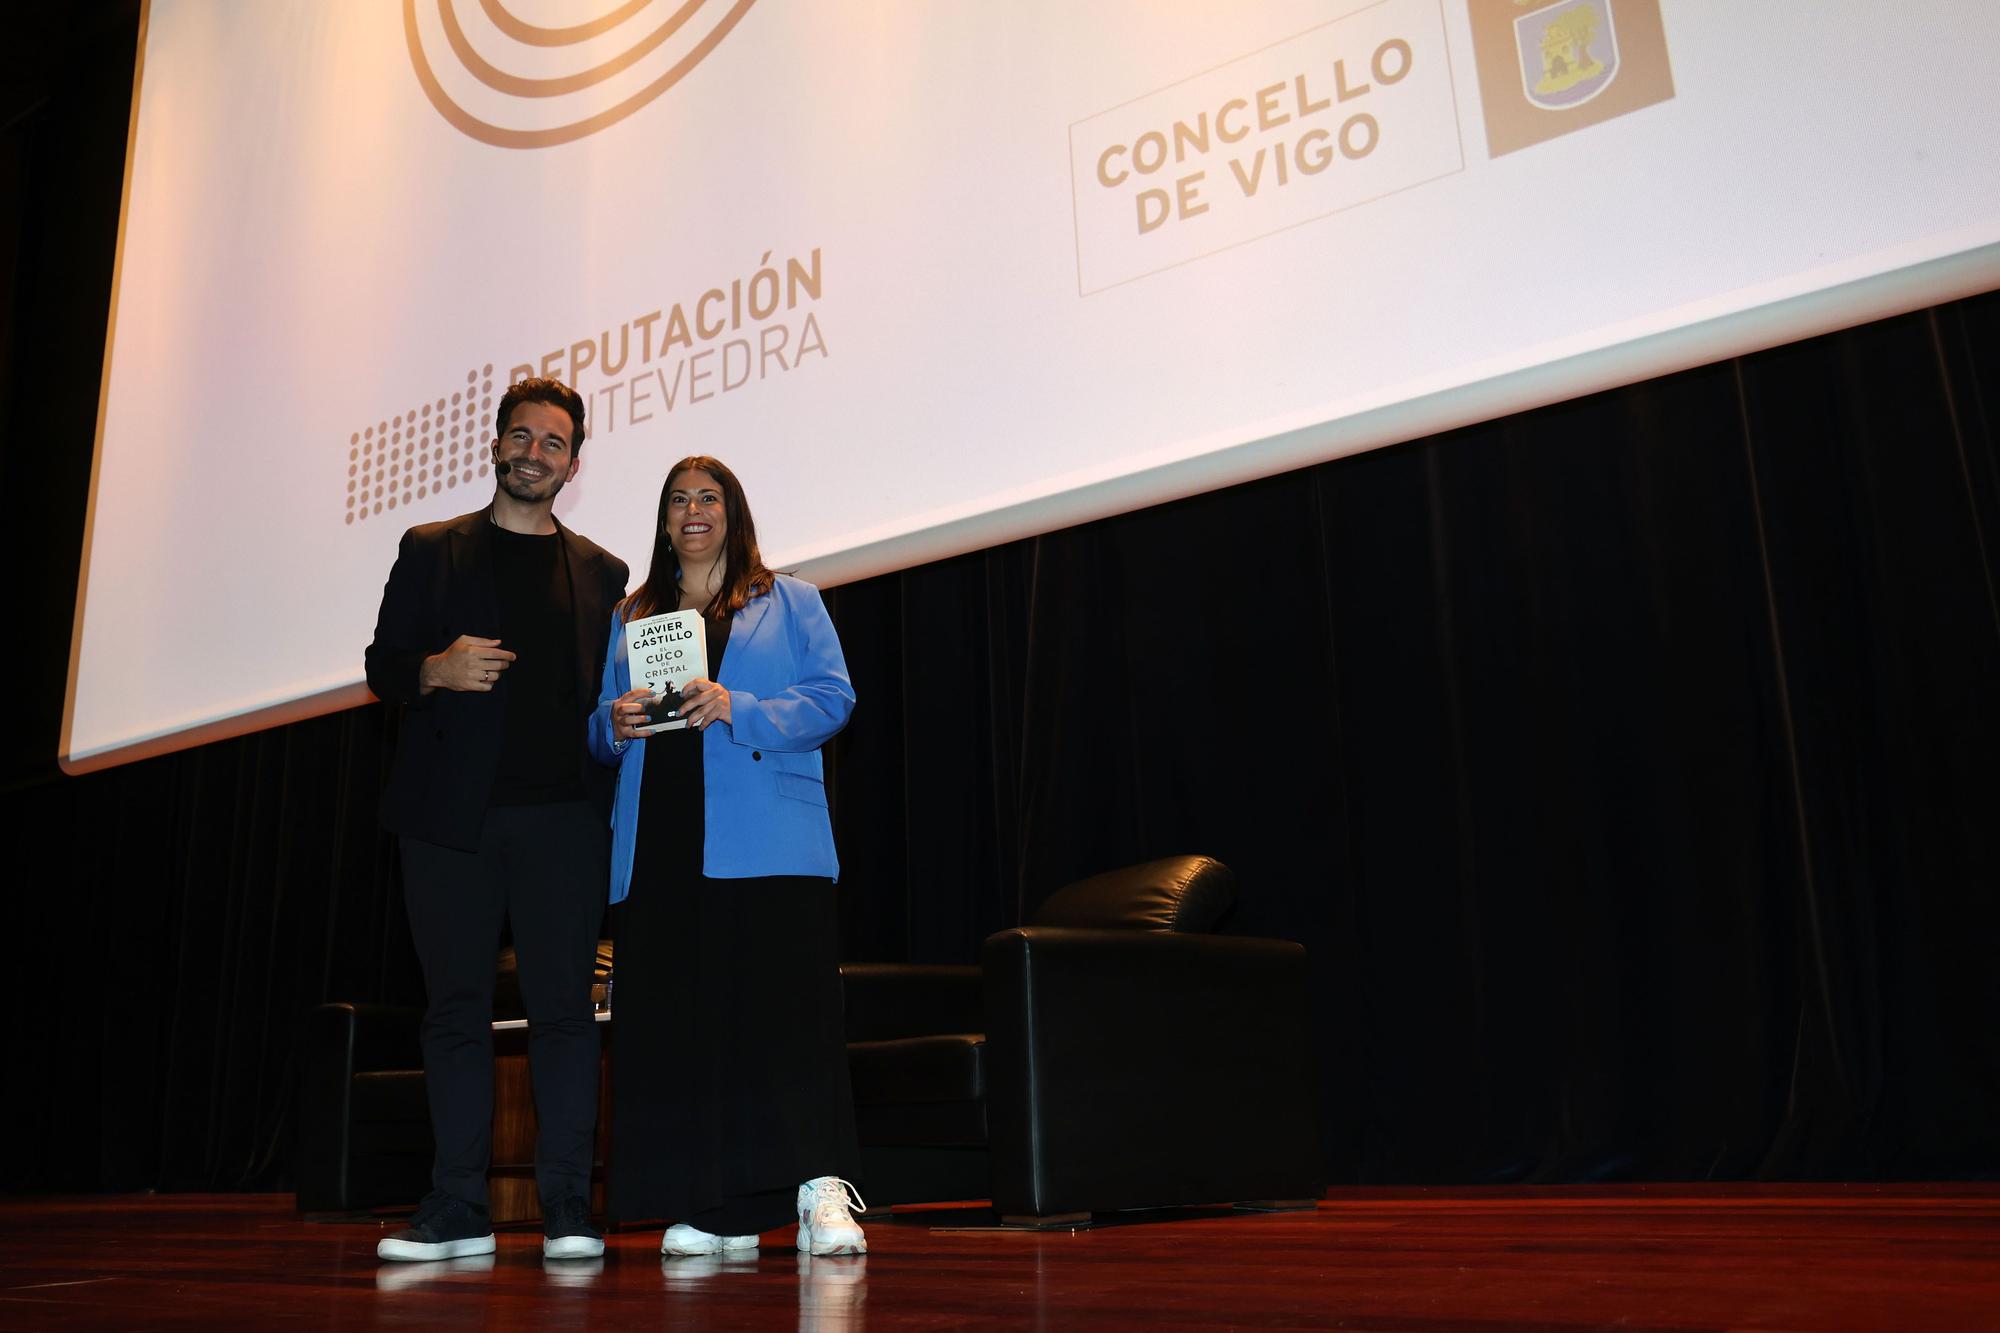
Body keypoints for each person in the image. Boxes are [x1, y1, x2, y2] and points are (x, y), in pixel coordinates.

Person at [364, 377, 628, 1262]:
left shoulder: (602, 572)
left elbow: (608, 694)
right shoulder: (431, 549)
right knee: (455, 1011)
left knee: (563, 1013)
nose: (533, 453)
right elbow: (383, 665)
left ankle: (567, 1208)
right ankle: (456, 1207)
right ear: (496, 445)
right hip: (450, 823)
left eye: (552, 443)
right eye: (521, 436)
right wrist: (434, 669)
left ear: (573, 464)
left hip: (564, 824)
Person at [587, 455, 866, 1257]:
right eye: (678, 500)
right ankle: (714, 1205)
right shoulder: (633, 613)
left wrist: (737, 705)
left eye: (708, 497)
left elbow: (833, 698)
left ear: (733, 513)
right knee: (689, 1027)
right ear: (665, 521)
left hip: (769, 842)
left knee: (786, 1023)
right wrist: (615, 720)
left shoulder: (792, 600)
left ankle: (820, 1193)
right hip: (663, 844)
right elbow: (595, 729)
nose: (693, 510)